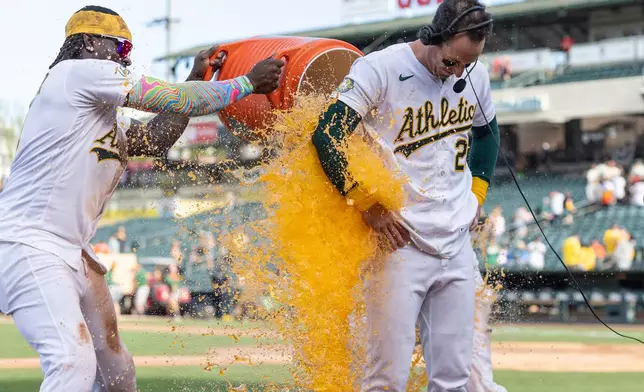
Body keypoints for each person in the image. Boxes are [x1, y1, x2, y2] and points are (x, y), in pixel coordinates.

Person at [0, 5, 283, 392]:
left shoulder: (99, 111)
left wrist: (194, 77)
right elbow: (173, 99)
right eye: (119, 49)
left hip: (71, 250)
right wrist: (246, 83)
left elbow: (156, 138)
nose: (125, 59)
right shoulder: (75, 73)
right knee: (71, 362)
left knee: (117, 371)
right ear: (87, 42)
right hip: (30, 242)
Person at [311, 1, 504, 391]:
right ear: (434, 37)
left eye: (468, 64)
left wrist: (479, 191)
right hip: (399, 242)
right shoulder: (380, 68)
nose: (459, 73)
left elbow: (488, 135)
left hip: (456, 242)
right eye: (453, 62)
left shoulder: (474, 74)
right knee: (385, 379)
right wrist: (365, 203)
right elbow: (326, 135)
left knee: (453, 378)